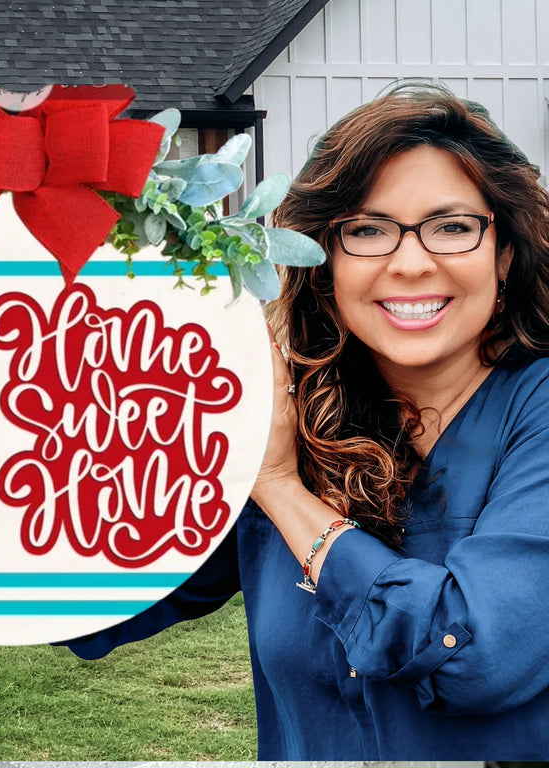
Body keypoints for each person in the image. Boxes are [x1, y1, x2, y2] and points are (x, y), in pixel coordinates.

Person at [61, 83, 549, 759]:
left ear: (505, 253)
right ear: (325, 264)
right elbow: (97, 597)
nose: (410, 262)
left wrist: (282, 489)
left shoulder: (536, 414)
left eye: (452, 226)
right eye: (368, 230)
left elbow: (475, 658)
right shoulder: (290, 411)